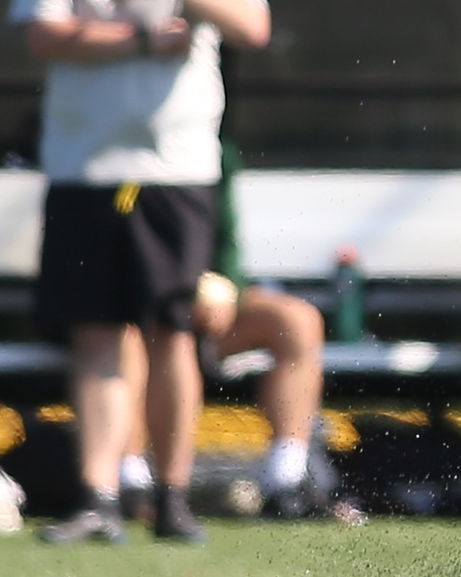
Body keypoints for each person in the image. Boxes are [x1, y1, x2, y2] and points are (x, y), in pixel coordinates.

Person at [10, 0, 270, 545]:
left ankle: (175, 493)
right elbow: (41, 34)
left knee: (172, 332)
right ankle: (98, 496)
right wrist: (133, 39)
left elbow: (253, 23)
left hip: (176, 168)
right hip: (83, 163)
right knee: (95, 334)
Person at [117, 138, 331, 521]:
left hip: (199, 306)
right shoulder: (115, 156)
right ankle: (130, 480)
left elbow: (225, 238)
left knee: (297, 322)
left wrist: (224, 290)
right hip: (138, 307)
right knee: (125, 332)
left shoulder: (214, 152)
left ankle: (285, 478)